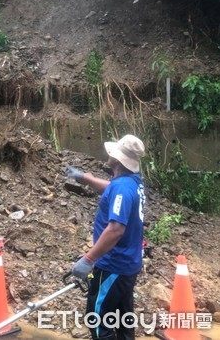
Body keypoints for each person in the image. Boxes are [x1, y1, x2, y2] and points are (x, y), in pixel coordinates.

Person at [66, 134, 146, 340]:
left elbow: (115, 230)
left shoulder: (122, 188)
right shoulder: (131, 182)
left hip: (112, 266)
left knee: (100, 322)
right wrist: (84, 177)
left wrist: (88, 259)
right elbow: (110, 188)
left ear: (118, 160)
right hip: (127, 266)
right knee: (122, 320)